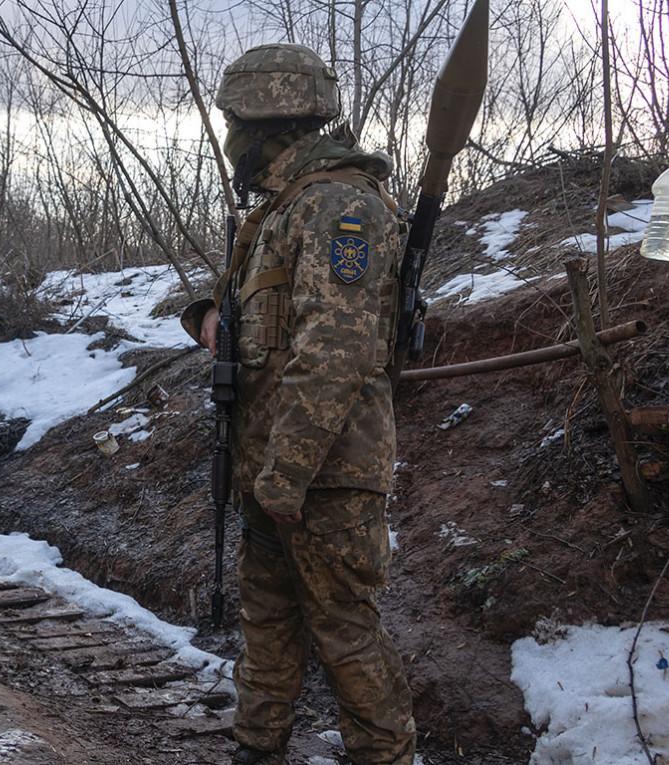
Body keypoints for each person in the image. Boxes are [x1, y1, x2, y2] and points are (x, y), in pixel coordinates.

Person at [178, 43, 415, 765]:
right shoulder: (282, 210)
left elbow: (335, 351)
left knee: (345, 635)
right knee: (268, 627)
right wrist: (211, 316)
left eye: (235, 128)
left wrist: (286, 473)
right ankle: (257, 750)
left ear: (265, 123)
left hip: (324, 477)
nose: (230, 146)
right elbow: (268, 321)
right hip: (275, 471)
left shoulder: (338, 204)